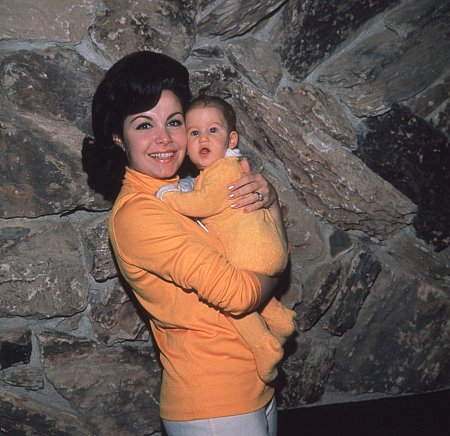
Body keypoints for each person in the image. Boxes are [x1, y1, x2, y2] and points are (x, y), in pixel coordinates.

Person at [88, 50, 288, 436]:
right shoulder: (139, 215)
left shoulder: (189, 188)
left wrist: (270, 202)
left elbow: (267, 254)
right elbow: (243, 293)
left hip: (255, 387)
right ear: (118, 137)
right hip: (214, 405)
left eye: (174, 122)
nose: (164, 139)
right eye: (144, 125)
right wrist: (269, 275)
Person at [156, 95, 295, 384]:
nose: (203, 138)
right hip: (265, 251)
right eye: (194, 132)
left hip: (253, 253)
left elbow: (203, 204)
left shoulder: (222, 171)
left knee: (234, 304)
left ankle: (265, 348)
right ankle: (281, 320)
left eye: (212, 130)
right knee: (245, 291)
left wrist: (169, 198)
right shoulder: (217, 172)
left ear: (232, 140)